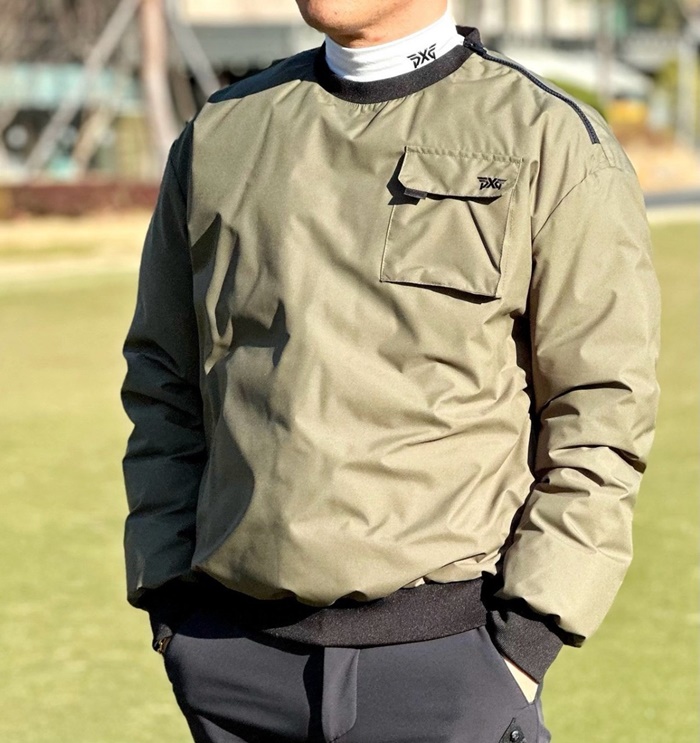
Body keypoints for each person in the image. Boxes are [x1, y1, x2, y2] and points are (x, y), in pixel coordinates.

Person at [121, 1, 660, 741]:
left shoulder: (549, 139)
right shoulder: (223, 132)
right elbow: (163, 377)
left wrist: (526, 639)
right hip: (234, 667)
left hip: (449, 666)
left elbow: (601, 409)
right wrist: (172, 600)